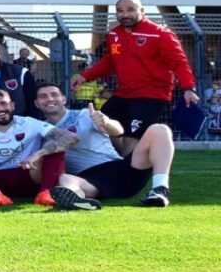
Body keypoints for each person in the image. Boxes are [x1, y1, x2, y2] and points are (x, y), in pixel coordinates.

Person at [70, 0, 197, 156]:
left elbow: (179, 63)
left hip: (152, 94)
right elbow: (110, 61)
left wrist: (188, 88)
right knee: (101, 126)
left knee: (132, 137)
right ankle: (125, 165)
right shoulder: (114, 35)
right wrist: (84, 76)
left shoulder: (160, 34)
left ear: (142, 11)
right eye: (120, 11)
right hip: (124, 93)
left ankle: (130, 171)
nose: (124, 14)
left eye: (130, 10)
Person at [35, 83, 174, 209]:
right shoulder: (38, 129)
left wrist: (106, 122)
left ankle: (159, 189)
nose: (50, 99)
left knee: (160, 129)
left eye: (54, 95)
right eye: (43, 96)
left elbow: (119, 131)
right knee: (65, 179)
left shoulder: (84, 115)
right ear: (36, 103)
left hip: (120, 169)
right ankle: (77, 201)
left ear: (63, 99)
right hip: (90, 179)